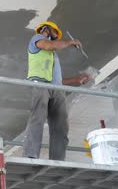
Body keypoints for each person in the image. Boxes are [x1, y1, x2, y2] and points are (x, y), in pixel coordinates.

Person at [23, 21, 89, 160]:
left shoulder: (52, 55)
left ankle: (58, 159)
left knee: (61, 126)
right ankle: (31, 155)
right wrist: (70, 42)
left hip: (56, 88)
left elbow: (58, 80)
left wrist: (77, 80)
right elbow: (49, 45)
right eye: (55, 32)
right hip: (40, 85)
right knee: (38, 119)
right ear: (46, 29)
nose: (56, 37)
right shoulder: (37, 40)